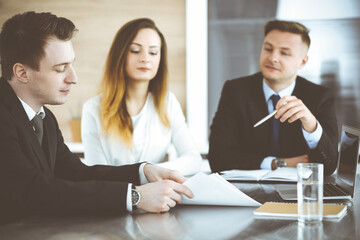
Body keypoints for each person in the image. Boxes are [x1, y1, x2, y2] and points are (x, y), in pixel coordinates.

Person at [0, 11, 193, 224]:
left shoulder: (44, 118)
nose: (73, 78)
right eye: (61, 68)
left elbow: (76, 173)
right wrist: (135, 196)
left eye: (71, 65)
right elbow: (32, 191)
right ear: (22, 73)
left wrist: (143, 171)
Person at [208, 20, 338, 175]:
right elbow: (218, 158)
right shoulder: (236, 91)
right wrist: (277, 163)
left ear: (302, 61)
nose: (273, 58)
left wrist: (311, 124)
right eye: (268, 49)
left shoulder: (320, 97)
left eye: (284, 53)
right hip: (245, 192)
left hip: (298, 193)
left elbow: (329, 166)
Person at [81, 18, 202, 176]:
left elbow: (193, 159)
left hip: (158, 196)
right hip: (114, 198)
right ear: (120, 55)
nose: (145, 58)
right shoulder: (93, 109)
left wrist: (155, 171)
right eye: (135, 50)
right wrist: (145, 174)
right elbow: (97, 174)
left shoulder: (168, 102)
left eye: (153, 52)